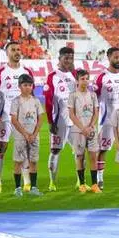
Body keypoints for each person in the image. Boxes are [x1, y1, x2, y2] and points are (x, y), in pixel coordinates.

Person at [0, 42, 34, 194]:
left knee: (24, 148)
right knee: (1, 146)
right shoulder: (1, 72)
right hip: (6, 116)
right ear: (7, 53)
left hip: (23, 116)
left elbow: (31, 95)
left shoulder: (26, 71)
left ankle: (27, 183)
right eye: (13, 50)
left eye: (18, 49)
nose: (16, 52)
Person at [94, 47, 119, 190]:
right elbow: (94, 97)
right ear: (109, 58)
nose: (118, 60)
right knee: (103, 149)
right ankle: (99, 179)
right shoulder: (101, 77)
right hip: (107, 120)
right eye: (116, 57)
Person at [43, 47, 76, 191]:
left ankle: (80, 181)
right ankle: (52, 182)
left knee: (79, 150)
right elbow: (48, 101)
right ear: (60, 58)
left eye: (71, 58)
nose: (69, 61)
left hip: (75, 120)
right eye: (66, 58)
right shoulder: (52, 76)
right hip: (60, 120)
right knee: (55, 150)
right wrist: (51, 121)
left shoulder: (75, 74)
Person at [10, 74, 43, 196]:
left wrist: (34, 134)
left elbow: (40, 118)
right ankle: (17, 188)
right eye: (25, 85)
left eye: (30, 85)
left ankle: (34, 187)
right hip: (20, 136)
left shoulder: (36, 101)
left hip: (33, 136)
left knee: (33, 161)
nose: (28, 87)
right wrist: (25, 134)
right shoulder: (16, 101)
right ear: (19, 86)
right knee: (18, 161)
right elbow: (14, 119)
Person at [68, 69, 101, 193]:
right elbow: (71, 114)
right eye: (82, 79)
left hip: (91, 130)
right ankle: (82, 184)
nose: (85, 81)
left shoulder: (92, 95)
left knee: (93, 156)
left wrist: (91, 126)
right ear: (77, 81)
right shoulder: (73, 96)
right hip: (78, 131)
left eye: (87, 78)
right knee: (80, 156)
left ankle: (94, 184)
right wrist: (82, 128)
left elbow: (96, 112)